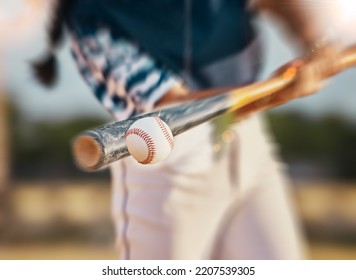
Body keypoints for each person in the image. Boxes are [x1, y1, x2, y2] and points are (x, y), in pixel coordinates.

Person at [32, 0, 341, 259]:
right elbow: (175, 104)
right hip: (168, 158)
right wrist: (276, 92)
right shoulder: (91, 20)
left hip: (251, 140)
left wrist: (315, 43)